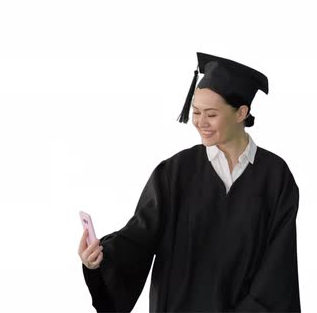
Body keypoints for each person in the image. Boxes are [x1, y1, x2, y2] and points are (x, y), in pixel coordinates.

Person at [78, 52, 301, 312]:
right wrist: (102, 258)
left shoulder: (275, 177)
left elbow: (279, 265)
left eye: (211, 114)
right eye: (195, 112)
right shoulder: (175, 172)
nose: (200, 122)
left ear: (241, 113)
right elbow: (139, 236)